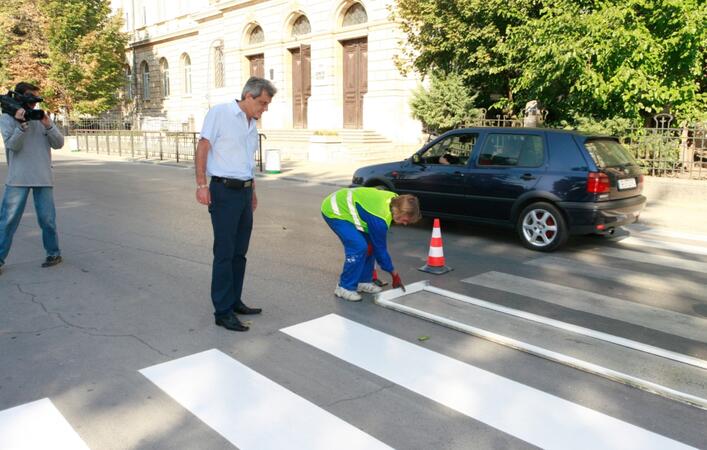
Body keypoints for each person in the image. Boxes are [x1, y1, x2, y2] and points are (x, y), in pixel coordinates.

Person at [195, 76, 276, 331]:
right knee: (225, 253)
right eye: (262, 103)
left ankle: (234, 300)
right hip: (224, 191)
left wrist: (252, 190)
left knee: (240, 252)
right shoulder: (220, 113)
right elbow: (203, 146)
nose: (265, 109)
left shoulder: (251, 124)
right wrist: (201, 184)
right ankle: (222, 311)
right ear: (248, 97)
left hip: (243, 191)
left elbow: (246, 160)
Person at [0, 82, 64, 275]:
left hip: (43, 177)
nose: (34, 104)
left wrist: (48, 125)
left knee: (48, 220)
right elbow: (13, 146)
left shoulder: (42, 117)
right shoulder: (7, 118)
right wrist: (21, 125)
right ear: (19, 97)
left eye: (36, 99)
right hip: (18, 179)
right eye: (30, 98)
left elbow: (59, 143)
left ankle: (54, 253)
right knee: (7, 221)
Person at [321, 187, 421, 301]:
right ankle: (344, 287)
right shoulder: (380, 219)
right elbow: (381, 251)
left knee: (370, 245)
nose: (405, 224)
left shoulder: (395, 200)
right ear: (399, 211)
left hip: (348, 205)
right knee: (358, 247)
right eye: (405, 220)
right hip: (335, 209)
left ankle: (362, 281)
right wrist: (394, 273)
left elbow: (376, 246)